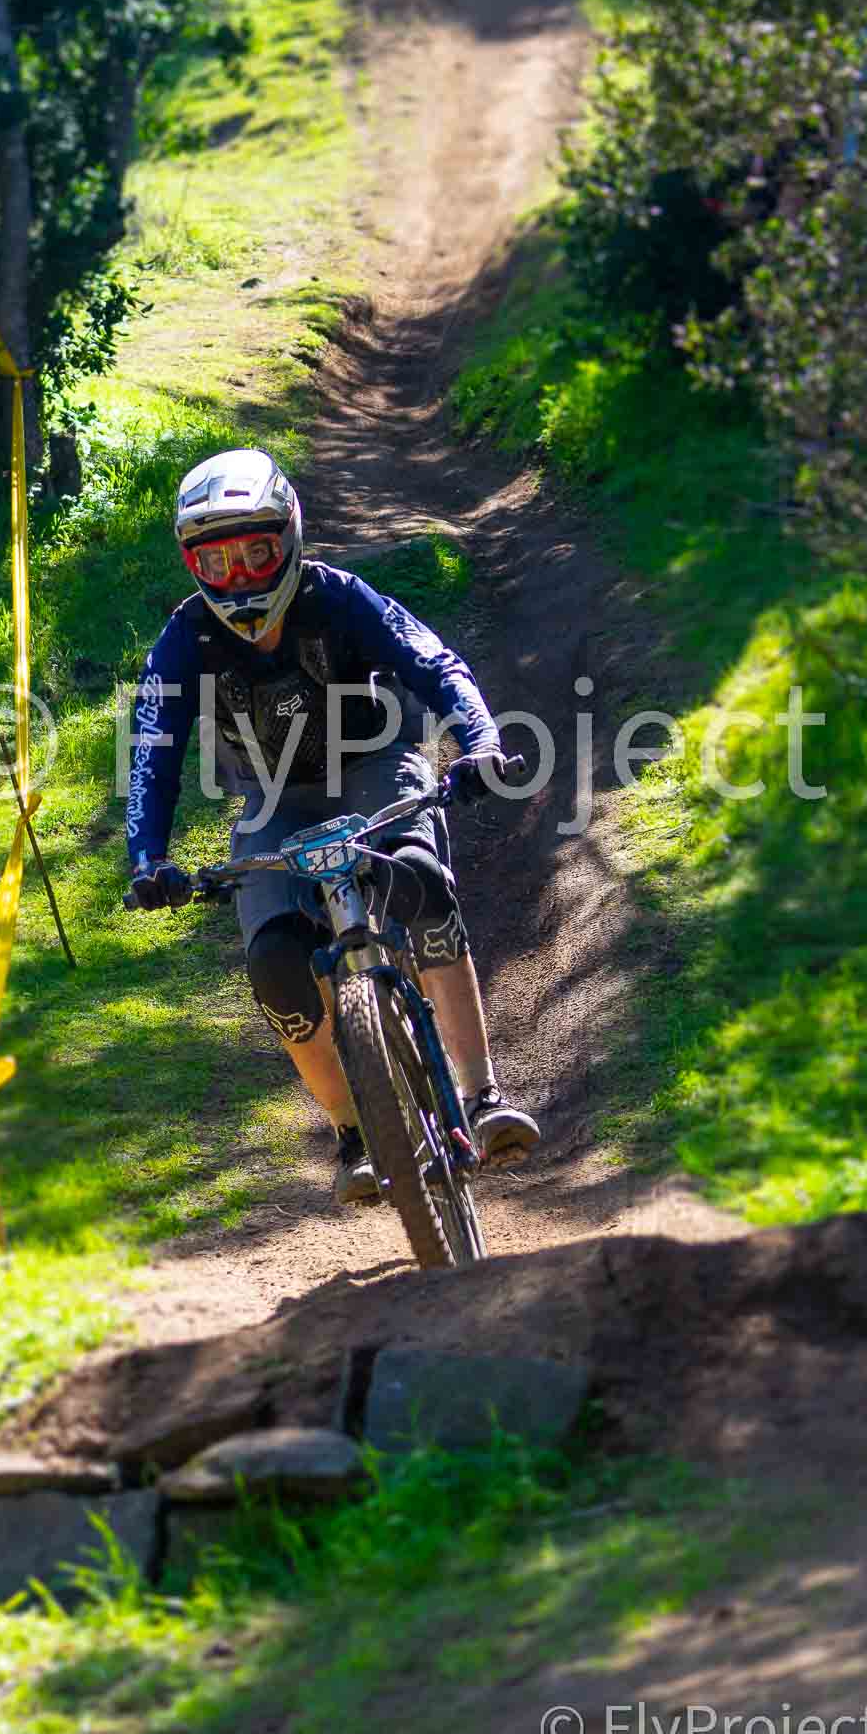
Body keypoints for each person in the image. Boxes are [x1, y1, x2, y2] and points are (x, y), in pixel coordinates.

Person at [125, 446, 541, 1206]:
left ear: (291, 535)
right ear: (191, 566)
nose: (242, 576)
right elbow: (152, 749)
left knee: (421, 885)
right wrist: (147, 858)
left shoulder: (339, 596)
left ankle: (482, 1098)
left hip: (375, 765)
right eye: (217, 562)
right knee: (276, 964)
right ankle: (355, 1134)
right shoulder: (184, 641)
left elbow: (434, 664)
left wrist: (477, 742)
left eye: (257, 551)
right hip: (271, 797)